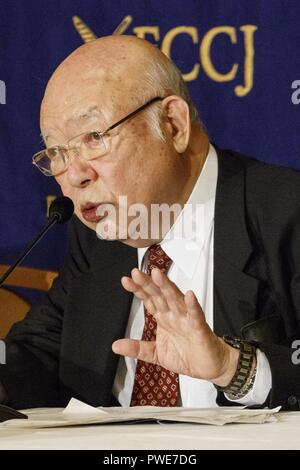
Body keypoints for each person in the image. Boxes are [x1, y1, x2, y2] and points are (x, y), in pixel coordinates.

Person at [1, 35, 300, 410]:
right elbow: (41, 352)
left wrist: (235, 368)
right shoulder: (98, 236)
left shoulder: (287, 215)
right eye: (57, 152)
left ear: (173, 125)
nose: (74, 175)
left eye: (94, 137)